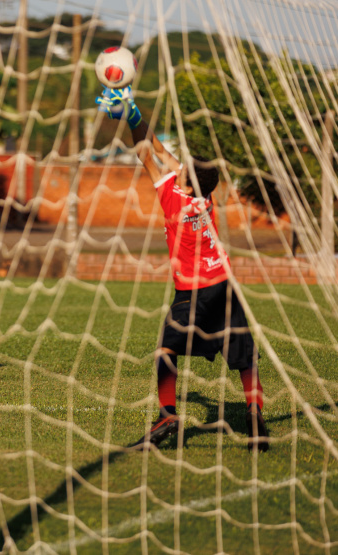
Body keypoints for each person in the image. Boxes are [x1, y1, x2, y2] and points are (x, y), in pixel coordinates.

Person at [97, 87, 269, 452]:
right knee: (243, 355)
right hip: (223, 285)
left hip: (193, 291)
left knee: (165, 350)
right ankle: (255, 414)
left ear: (185, 180)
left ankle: (168, 415)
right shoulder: (203, 196)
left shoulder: (172, 197)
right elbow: (163, 152)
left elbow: (146, 153)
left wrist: (130, 119)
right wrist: (135, 113)